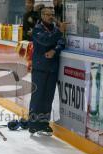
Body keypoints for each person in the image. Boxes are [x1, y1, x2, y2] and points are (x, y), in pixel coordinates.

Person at [28, 7, 66, 136]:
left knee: (48, 97)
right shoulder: (37, 29)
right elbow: (46, 40)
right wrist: (59, 32)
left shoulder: (55, 29)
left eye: (52, 14)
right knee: (38, 97)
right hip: (40, 68)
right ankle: (33, 124)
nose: (51, 16)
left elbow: (61, 42)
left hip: (52, 68)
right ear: (42, 15)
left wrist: (55, 50)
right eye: (48, 14)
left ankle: (44, 124)